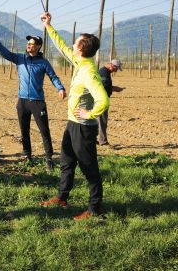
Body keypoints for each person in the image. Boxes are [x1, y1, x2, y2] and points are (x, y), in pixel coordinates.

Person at [39, 12, 109, 220]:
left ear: (81, 48)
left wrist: (90, 113)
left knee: (90, 169)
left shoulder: (88, 71)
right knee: (67, 162)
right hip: (73, 124)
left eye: (75, 42)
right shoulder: (80, 63)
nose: (72, 44)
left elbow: (103, 100)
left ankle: (94, 208)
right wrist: (49, 26)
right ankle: (62, 197)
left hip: (83, 126)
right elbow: (62, 47)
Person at [0, 29, 66, 172]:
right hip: (22, 101)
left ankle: (49, 159)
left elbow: (53, 77)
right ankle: (27, 155)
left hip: (37, 102)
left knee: (44, 131)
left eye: (33, 43)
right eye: (28, 43)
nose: (29, 45)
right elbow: (5, 53)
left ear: (38, 47)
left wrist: (60, 88)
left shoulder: (43, 62)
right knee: (24, 131)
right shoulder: (20, 58)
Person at [97, 60, 125, 148]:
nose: (116, 71)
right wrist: (115, 89)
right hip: (101, 100)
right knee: (102, 120)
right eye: (116, 69)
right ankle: (103, 141)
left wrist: (115, 88)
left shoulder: (105, 72)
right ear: (112, 66)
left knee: (98, 120)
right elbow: (103, 86)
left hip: (100, 99)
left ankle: (95, 139)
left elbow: (106, 86)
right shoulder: (104, 73)